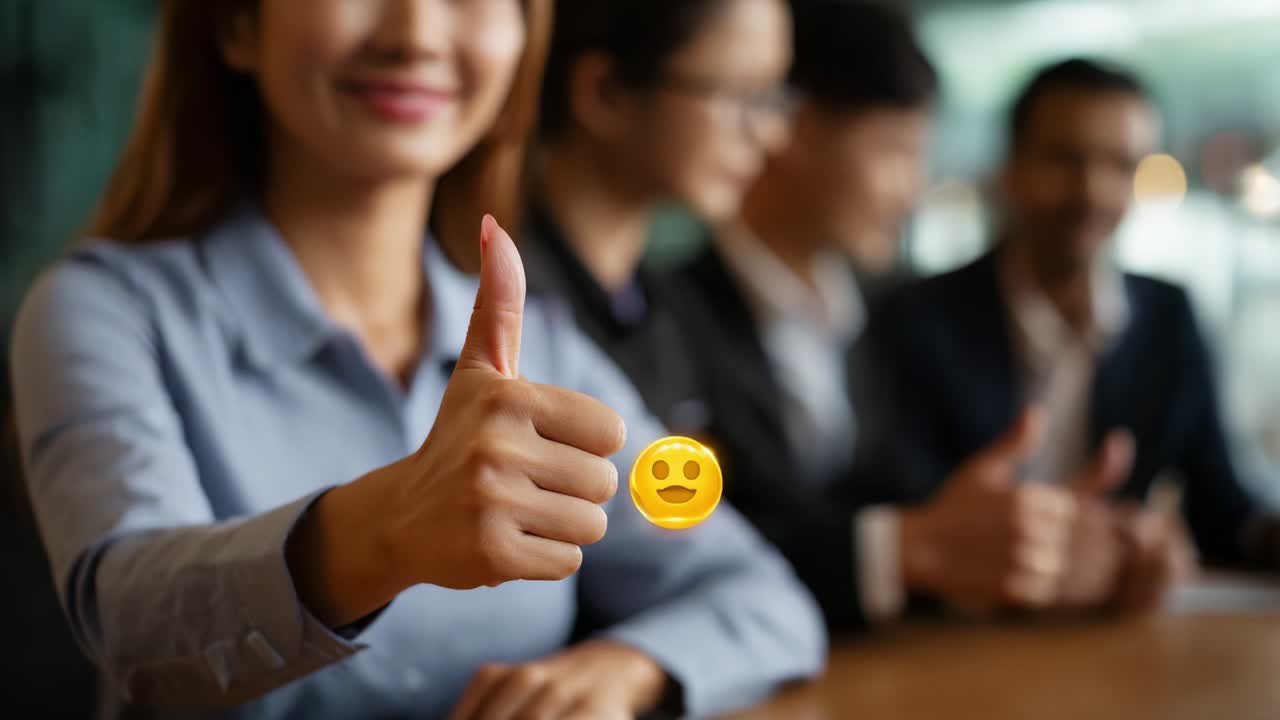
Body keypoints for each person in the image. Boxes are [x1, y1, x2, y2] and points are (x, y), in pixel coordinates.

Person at [8, 2, 825, 718]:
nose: (416, 34)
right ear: (237, 23)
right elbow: (130, 626)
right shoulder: (104, 311)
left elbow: (759, 593)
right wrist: (387, 526)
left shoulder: (544, 350)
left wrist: (628, 668)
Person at [873, 58, 1280, 621]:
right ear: (1011, 168)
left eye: (1121, 166)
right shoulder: (917, 317)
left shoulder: (1168, 316)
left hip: (1112, 638)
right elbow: (897, 508)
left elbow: (1224, 510)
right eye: (1065, 159)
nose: (1092, 191)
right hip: (953, 634)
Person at [665, 0, 944, 630]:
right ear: (799, 126)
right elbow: (682, 534)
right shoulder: (671, 316)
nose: (912, 191)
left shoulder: (892, 309)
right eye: (895, 150)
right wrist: (903, 550)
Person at [524, 0, 794, 433]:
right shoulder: (496, 303)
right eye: (741, 94)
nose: (771, 134)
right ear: (605, 91)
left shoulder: (679, 316)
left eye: (773, 97)